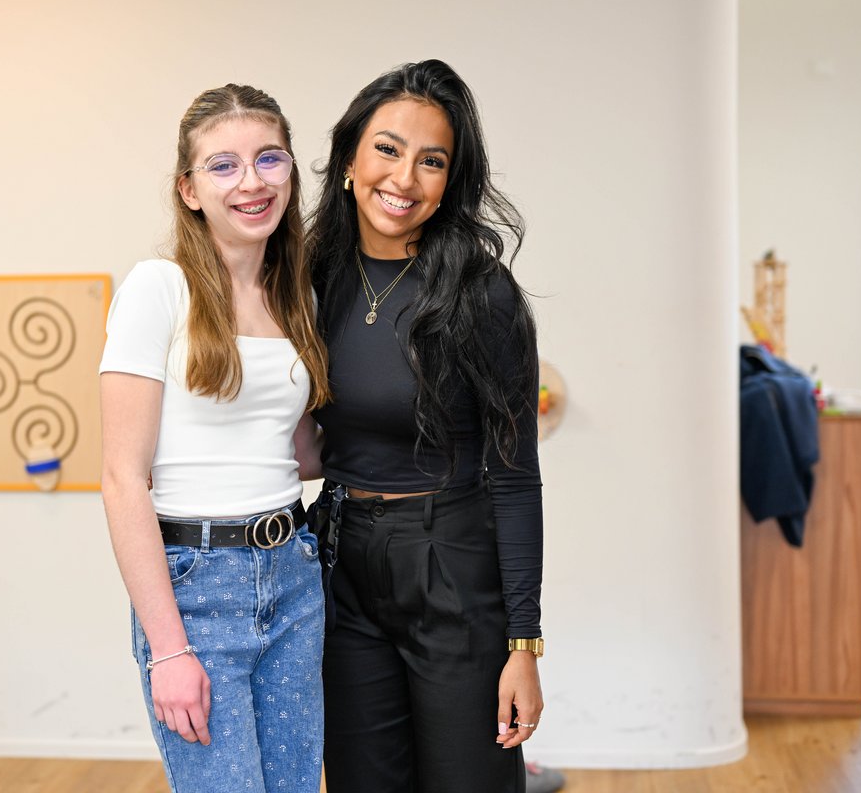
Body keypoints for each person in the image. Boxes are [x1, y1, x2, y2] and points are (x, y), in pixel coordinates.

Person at [307, 59, 545, 793]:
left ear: (450, 181)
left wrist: (524, 642)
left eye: (431, 160)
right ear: (350, 160)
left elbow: (515, 476)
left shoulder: (482, 294)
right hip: (341, 561)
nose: (404, 177)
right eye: (387, 149)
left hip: (450, 564)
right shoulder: (309, 277)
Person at [99, 84, 329, 793]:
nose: (252, 181)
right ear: (190, 189)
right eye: (223, 165)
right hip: (196, 588)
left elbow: (298, 454)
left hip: (294, 572)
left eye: (269, 158)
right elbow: (121, 477)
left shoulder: (297, 297)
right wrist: (169, 649)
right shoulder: (158, 288)